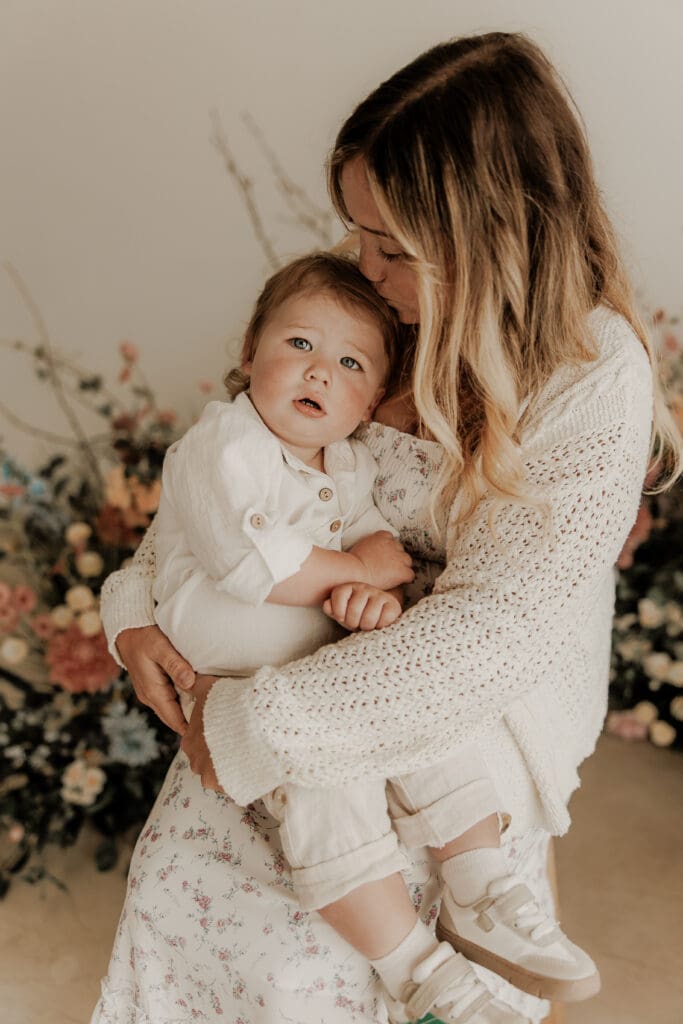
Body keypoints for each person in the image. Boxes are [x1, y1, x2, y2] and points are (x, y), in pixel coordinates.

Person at [92, 31, 680, 1024]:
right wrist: (131, 614)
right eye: (357, 232)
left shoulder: (591, 377)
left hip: (430, 720)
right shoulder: (365, 316)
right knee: (213, 917)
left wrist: (254, 725)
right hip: (276, 678)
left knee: (351, 924)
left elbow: (490, 634)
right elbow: (227, 474)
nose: (357, 266)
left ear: (487, 233)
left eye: (390, 246)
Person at [148, 246, 599, 1024]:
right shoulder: (221, 445)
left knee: (421, 724)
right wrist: (350, 568)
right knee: (332, 795)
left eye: (349, 362)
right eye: (298, 346)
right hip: (248, 674)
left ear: (374, 399)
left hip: (322, 659)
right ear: (248, 349)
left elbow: (375, 558)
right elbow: (250, 563)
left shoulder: (346, 461)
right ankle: (414, 971)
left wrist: (368, 593)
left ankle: (482, 882)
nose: (319, 371)